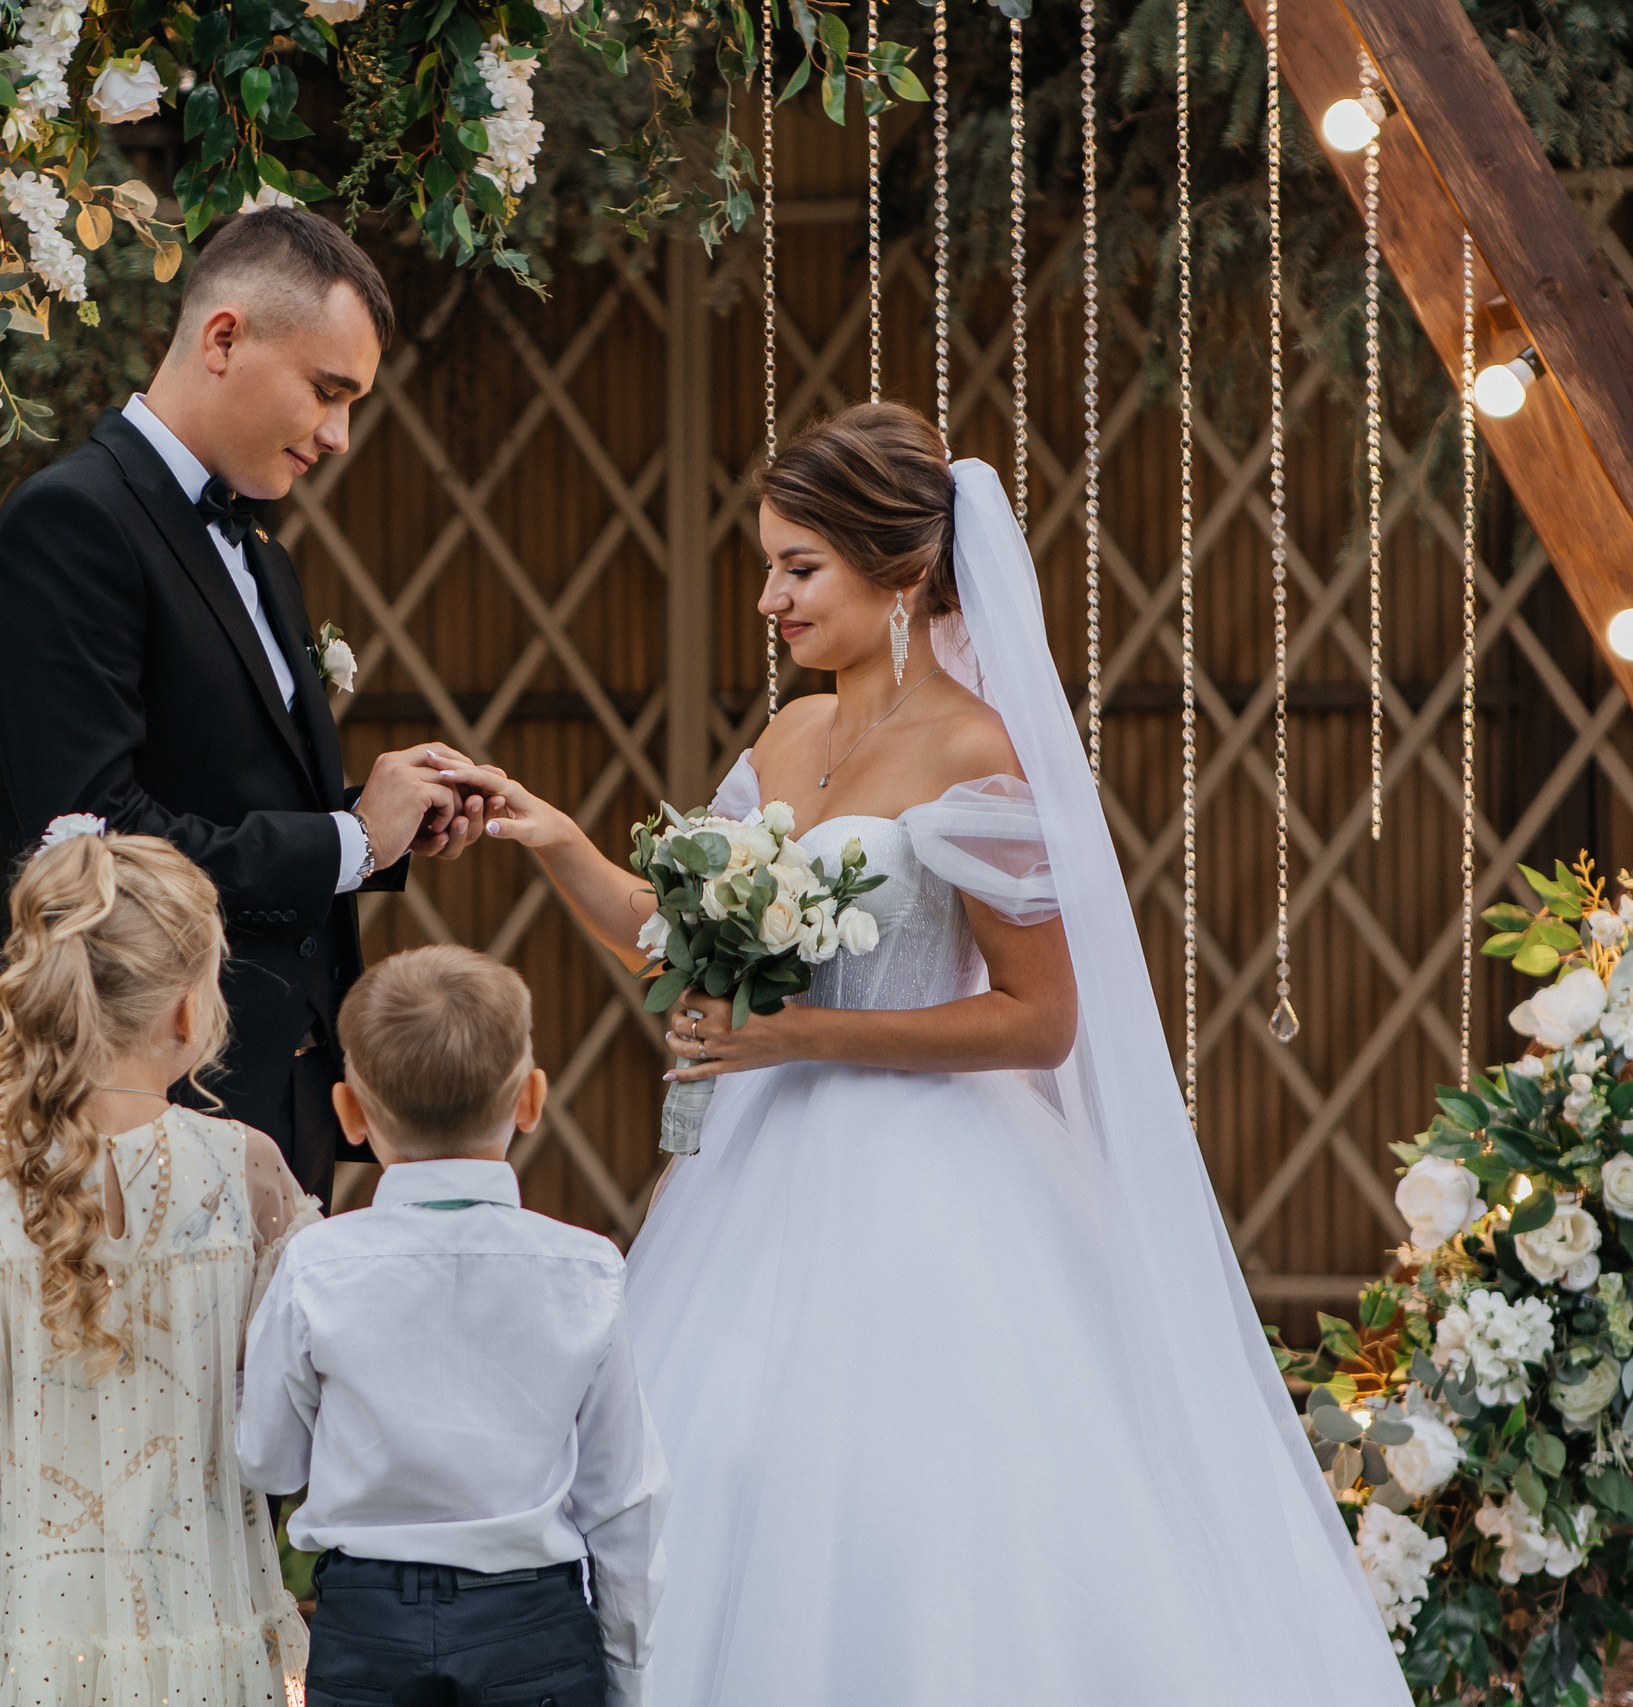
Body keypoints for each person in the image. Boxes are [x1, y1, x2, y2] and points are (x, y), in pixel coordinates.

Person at [475, 404, 1413, 1704]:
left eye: (798, 567)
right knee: (730, 1458)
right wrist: (555, 839)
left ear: (902, 570)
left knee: (920, 1499)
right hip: (749, 1169)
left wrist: (801, 1032)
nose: (768, 600)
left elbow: (1039, 1016)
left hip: (933, 1176)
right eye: (766, 565)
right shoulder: (792, 736)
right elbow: (677, 939)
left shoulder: (980, 752)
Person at [0, 205, 504, 1198]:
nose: (339, 436)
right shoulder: (71, 525)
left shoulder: (264, 555)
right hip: (142, 1103)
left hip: (279, 1104)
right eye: (326, 392)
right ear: (223, 339)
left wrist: (374, 821)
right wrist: (349, 844)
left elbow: (218, 798)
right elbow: (87, 845)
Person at [0, 823, 316, 1706]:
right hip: (200, 1610)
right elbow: (283, 1406)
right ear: (188, 1009)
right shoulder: (244, 1170)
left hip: (34, 1623)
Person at [237, 945, 668, 1707]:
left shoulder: (316, 1265)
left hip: (366, 1630)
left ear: (350, 1113)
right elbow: (622, 1501)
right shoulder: (586, 1269)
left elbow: (269, 1462)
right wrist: (627, 1674)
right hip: (534, 1628)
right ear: (532, 1099)